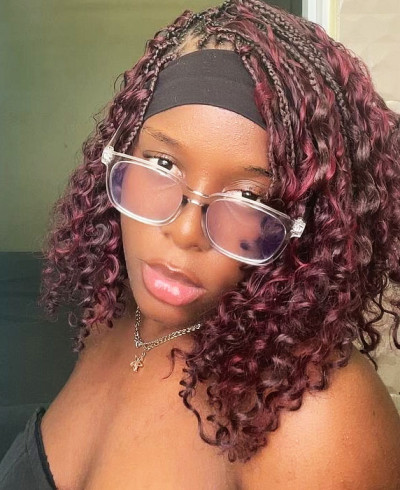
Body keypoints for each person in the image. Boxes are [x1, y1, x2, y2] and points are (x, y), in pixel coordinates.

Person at [1, 0, 400, 488]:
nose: (186, 232)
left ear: (307, 227)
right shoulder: (116, 312)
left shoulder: (318, 421)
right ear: (120, 154)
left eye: (249, 198)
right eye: (163, 164)